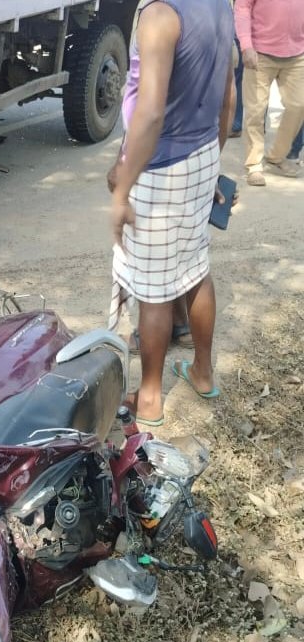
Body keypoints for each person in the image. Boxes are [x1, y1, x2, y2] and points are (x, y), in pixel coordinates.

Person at [107, 0, 235, 426]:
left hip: (161, 166)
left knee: (154, 291)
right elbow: (228, 99)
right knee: (195, 268)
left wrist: (122, 189)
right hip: (203, 152)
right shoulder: (219, 5)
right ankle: (202, 371)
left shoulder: (160, 16)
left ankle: (148, 398)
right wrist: (211, 163)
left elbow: (150, 114)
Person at [235, 0, 304, 186]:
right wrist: (246, 45)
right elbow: (242, 7)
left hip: (297, 53)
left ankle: (276, 157)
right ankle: (254, 165)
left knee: (299, 105)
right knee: (255, 112)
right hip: (259, 53)